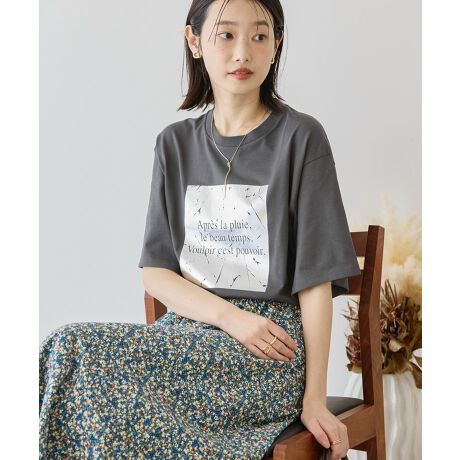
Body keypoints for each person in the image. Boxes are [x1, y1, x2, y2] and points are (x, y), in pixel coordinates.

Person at [39, 1, 361, 458]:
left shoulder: (301, 138)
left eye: (259, 36)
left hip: (268, 351)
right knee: (65, 351)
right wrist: (231, 318)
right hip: (189, 335)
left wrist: (314, 400)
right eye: (226, 35)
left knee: (75, 350)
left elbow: (315, 282)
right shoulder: (174, 144)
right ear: (194, 41)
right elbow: (157, 272)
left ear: (276, 44)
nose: (242, 52)